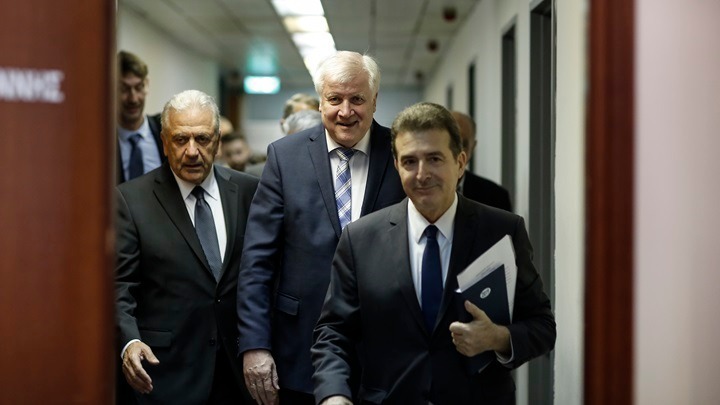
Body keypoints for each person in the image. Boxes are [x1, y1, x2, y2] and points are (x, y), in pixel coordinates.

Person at [312, 102, 556, 404]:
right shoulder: (361, 239)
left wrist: (498, 338)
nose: (422, 174)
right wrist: (334, 394)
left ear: (460, 162)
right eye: (409, 161)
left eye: (434, 159)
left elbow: (542, 326)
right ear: (396, 165)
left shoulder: (501, 231)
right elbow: (333, 332)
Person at [237, 51, 406, 405]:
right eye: (334, 99)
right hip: (300, 348)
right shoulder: (285, 157)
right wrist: (255, 345)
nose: (346, 111)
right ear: (320, 102)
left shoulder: (401, 155)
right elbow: (257, 262)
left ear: (375, 101)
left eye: (357, 99)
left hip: (387, 352)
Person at [115, 90, 259, 404]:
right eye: (180, 140)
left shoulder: (249, 191)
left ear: (217, 142)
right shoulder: (131, 200)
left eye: (202, 139)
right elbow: (119, 285)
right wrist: (129, 341)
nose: (192, 151)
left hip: (237, 374)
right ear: (164, 143)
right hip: (167, 374)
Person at [116, 50, 165, 184]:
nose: (133, 98)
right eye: (124, 89)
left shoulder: (165, 132)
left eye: (138, 87)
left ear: (146, 85)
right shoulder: (102, 142)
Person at [452, 111, 513, 212]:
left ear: (473, 147)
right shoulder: (423, 191)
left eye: (463, 145)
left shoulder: (495, 198)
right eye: (451, 144)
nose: (457, 153)